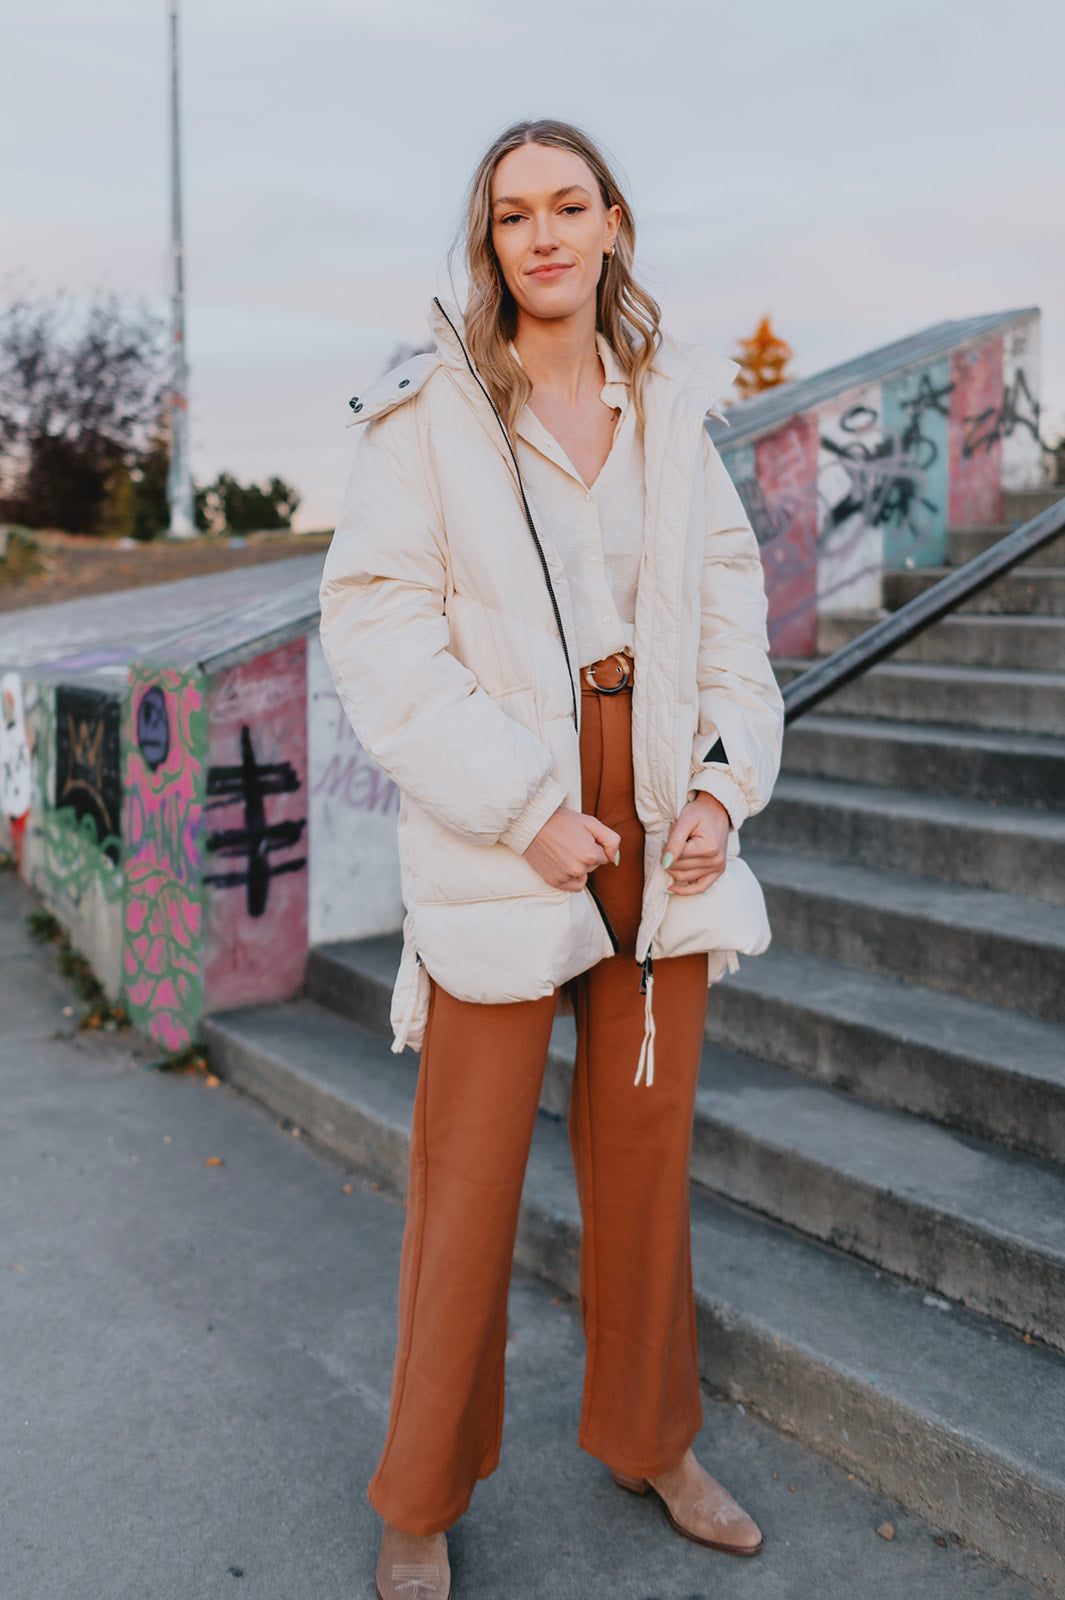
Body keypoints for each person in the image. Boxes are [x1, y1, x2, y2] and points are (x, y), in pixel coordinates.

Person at [319, 117, 784, 1600]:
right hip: (506, 813)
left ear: (610, 221)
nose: (544, 235)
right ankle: (418, 1495)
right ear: (490, 241)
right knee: (466, 1184)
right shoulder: (425, 417)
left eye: (568, 206)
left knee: (645, 1161)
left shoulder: (669, 407)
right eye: (514, 213)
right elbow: (380, 633)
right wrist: (522, 806)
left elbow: (729, 610)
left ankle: (653, 1439)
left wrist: (718, 786)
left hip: (655, 808)